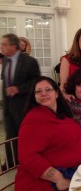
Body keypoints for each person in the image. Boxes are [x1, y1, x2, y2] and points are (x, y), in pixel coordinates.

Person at [15, 76, 81, 191]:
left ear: (57, 94)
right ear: (35, 97)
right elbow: (27, 157)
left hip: (74, 174)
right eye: (39, 91)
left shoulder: (62, 116)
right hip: (48, 183)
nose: (43, 93)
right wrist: (59, 179)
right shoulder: (33, 119)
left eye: (48, 89)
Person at [0, 33, 40, 168]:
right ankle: (11, 161)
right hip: (8, 105)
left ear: (13, 46)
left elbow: (36, 82)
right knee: (10, 133)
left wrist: (19, 89)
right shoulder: (5, 60)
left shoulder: (30, 62)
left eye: (4, 44)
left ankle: (26, 159)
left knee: (25, 135)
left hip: (24, 105)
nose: (1, 47)